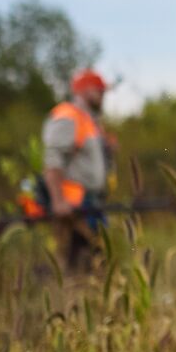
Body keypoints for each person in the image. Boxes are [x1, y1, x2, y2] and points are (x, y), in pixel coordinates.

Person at [32, 68, 114, 271]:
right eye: (100, 91)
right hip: (73, 205)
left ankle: (84, 298)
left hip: (90, 202)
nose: (103, 96)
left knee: (95, 261)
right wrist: (59, 201)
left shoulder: (88, 120)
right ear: (86, 91)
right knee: (79, 263)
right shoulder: (67, 116)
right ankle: (65, 297)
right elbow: (53, 162)